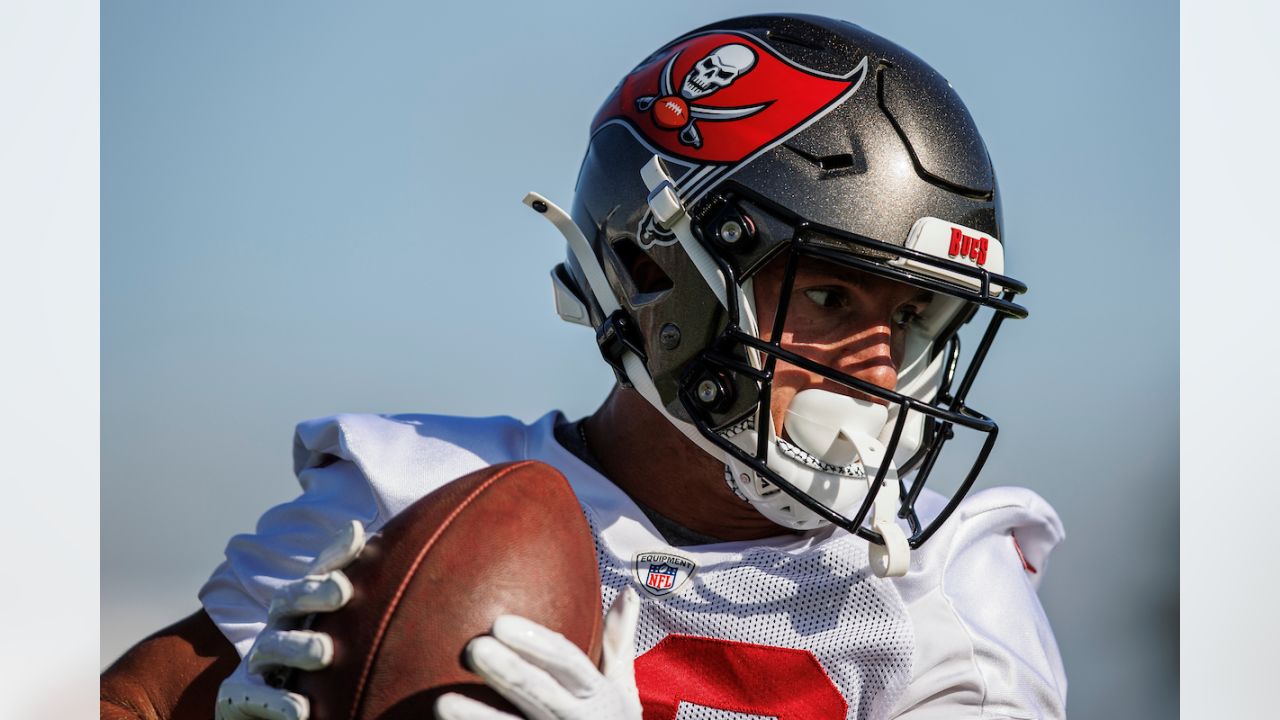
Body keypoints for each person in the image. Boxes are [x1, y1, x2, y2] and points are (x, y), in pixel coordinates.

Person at [101, 13, 1067, 720]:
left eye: (914, 316)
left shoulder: (941, 585)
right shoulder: (425, 499)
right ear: (654, 272)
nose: (880, 367)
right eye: (828, 299)